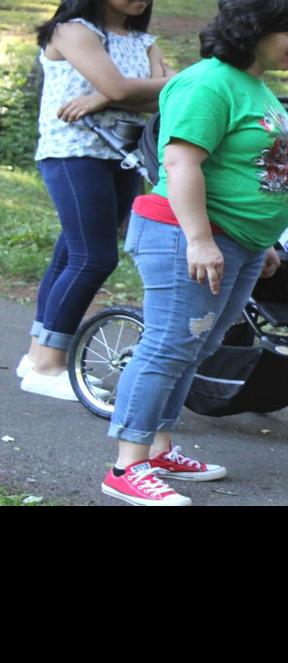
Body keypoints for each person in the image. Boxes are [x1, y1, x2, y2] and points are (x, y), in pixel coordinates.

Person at [99, 0, 288, 507]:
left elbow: (253, 169)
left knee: (195, 348)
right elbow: (180, 162)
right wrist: (199, 238)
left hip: (234, 241)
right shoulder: (208, 82)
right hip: (185, 236)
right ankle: (125, 466)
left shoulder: (254, 86)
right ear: (258, 29)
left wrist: (260, 239)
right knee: (169, 345)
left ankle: (157, 447)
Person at [22, 0, 170, 402]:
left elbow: (172, 95)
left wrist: (102, 97)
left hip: (123, 155)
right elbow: (130, 88)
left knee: (72, 253)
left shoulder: (143, 41)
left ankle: (38, 355)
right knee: (94, 257)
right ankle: (49, 365)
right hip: (73, 153)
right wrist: (121, 90)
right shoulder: (73, 30)